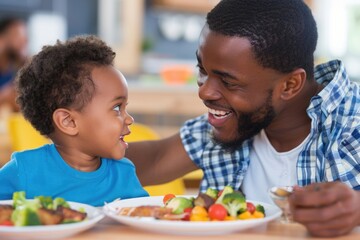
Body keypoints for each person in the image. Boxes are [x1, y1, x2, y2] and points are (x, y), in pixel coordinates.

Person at [126, 0, 360, 237]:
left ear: (290, 85)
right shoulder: (235, 122)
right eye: (203, 71)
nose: (204, 92)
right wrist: (89, 147)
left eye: (228, 81)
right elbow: (156, 158)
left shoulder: (353, 123)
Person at [0, 35, 148, 206]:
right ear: (68, 122)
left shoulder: (124, 172)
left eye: (125, 108)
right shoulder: (24, 170)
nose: (129, 119)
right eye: (117, 108)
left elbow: (141, 219)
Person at [0, 17, 28, 112]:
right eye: (18, 36)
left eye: (24, 37)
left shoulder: (16, 69)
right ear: (1, 39)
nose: (24, 42)